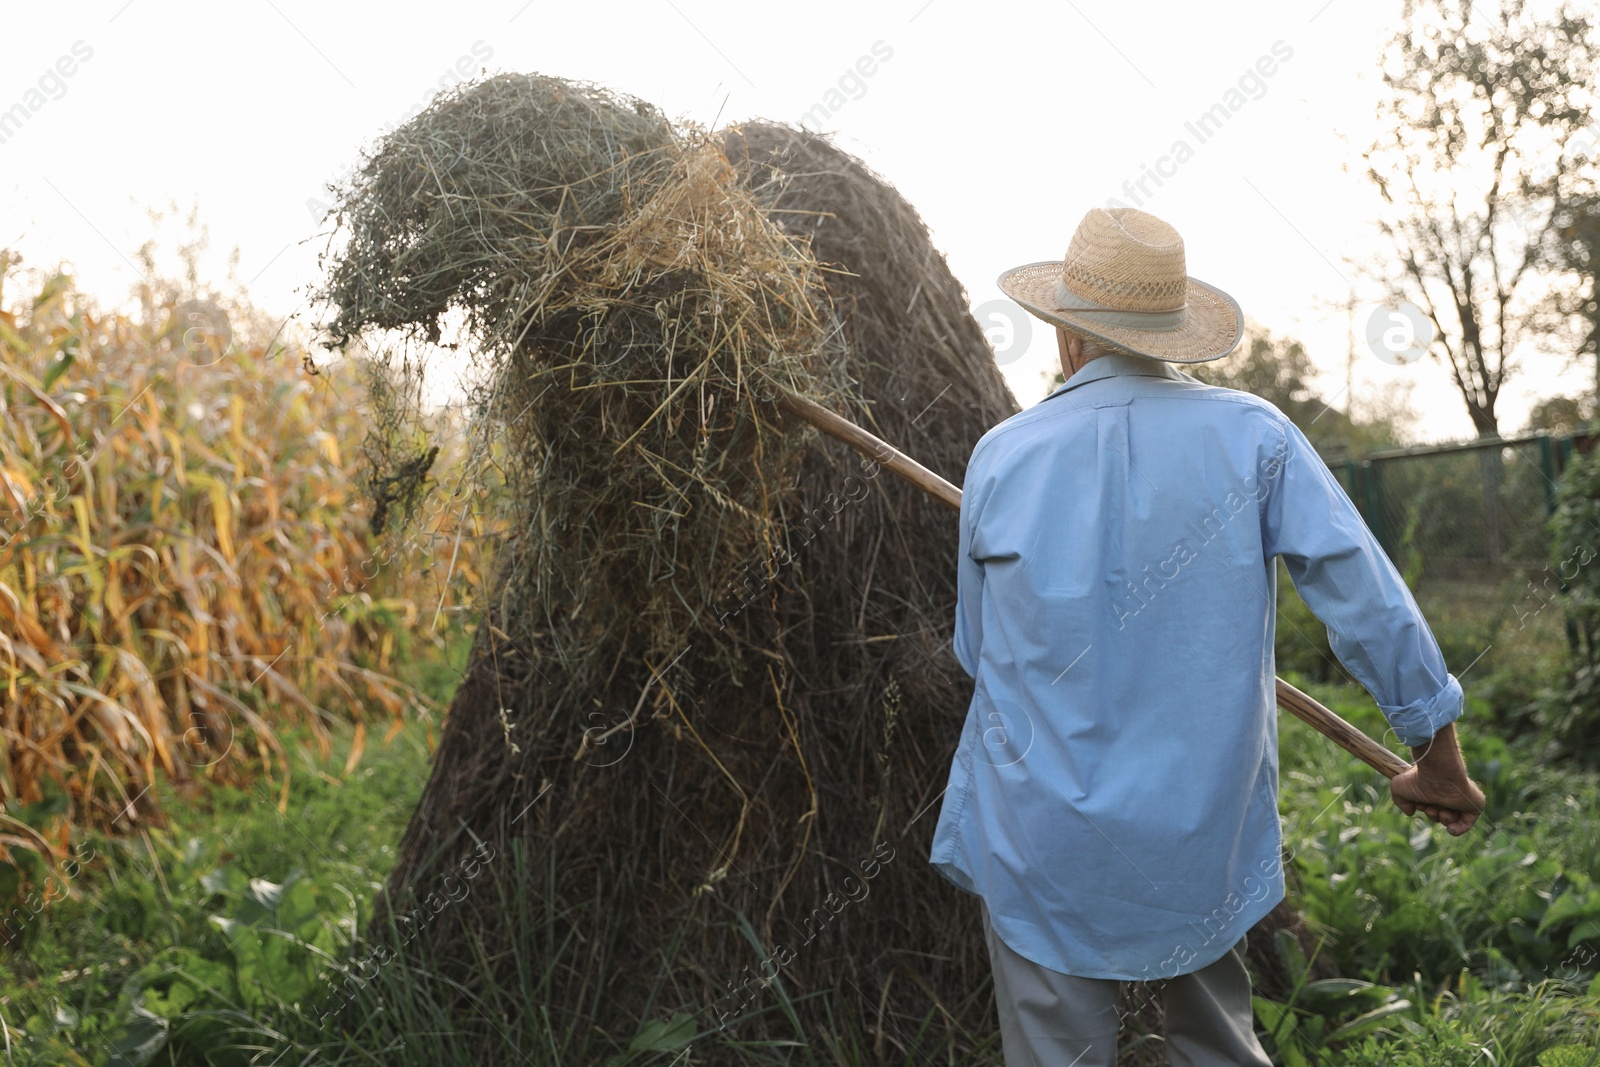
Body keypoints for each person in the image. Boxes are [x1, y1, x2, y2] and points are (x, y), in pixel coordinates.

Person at [926, 207, 1486, 1067]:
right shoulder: (1254, 438)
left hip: (1040, 837)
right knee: (1217, 1045)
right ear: (1171, 335)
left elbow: (977, 650)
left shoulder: (1003, 456)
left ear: (1069, 338)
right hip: (1197, 834)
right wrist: (1434, 748)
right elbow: (1365, 596)